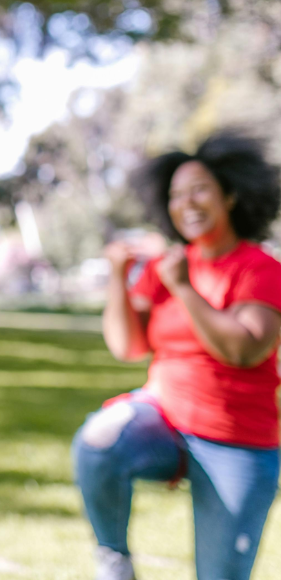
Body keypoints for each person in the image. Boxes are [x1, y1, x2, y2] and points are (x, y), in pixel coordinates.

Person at [73, 132, 281, 580]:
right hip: (164, 417)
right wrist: (116, 277)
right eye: (175, 195)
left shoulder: (260, 269)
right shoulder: (165, 267)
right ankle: (115, 564)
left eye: (200, 189)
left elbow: (243, 350)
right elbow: (128, 346)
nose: (186, 203)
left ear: (230, 195)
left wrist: (184, 287)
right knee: (98, 441)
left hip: (236, 437)